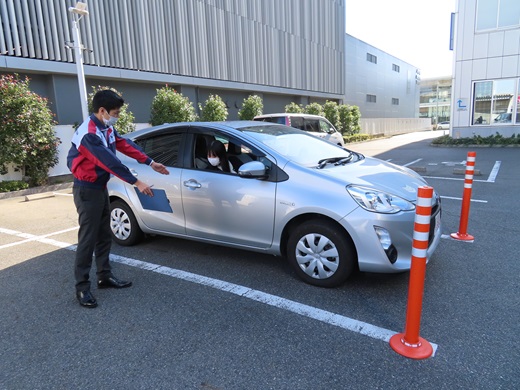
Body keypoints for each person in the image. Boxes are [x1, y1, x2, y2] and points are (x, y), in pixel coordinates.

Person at [67, 90, 169, 308]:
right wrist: (136, 182)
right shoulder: (89, 134)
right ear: (102, 111)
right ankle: (82, 288)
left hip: (100, 187)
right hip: (87, 189)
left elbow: (124, 144)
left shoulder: (106, 127)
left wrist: (150, 162)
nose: (117, 116)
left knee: (105, 234)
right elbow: (110, 162)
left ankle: (104, 276)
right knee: (87, 238)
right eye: (115, 112)